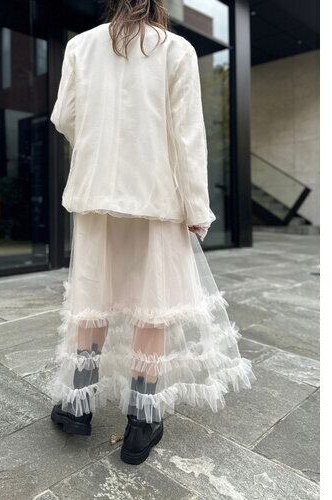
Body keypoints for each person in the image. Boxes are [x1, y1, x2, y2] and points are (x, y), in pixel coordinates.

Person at [48, 0, 255, 465]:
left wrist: (100, 145)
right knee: (153, 305)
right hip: (156, 195)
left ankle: (78, 405)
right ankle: (141, 421)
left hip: (96, 192)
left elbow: (64, 117)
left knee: (92, 294)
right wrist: (196, 206)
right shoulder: (176, 49)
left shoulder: (80, 47)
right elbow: (188, 136)